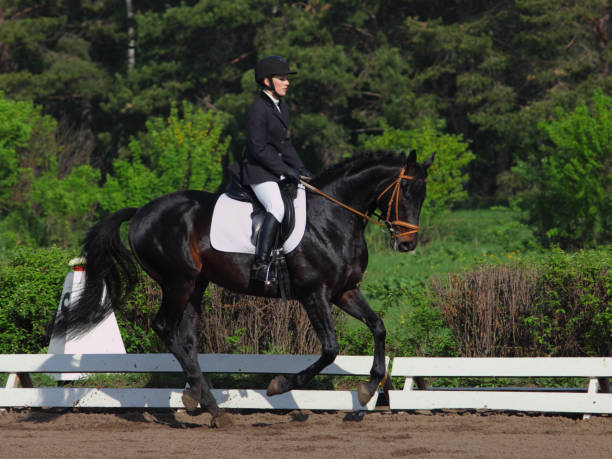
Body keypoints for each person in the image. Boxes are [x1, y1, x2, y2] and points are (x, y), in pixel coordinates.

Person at [229, 56, 312, 284]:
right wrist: (285, 170)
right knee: (276, 205)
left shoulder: (280, 107)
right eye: (282, 79)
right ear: (267, 81)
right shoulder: (258, 109)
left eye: (287, 79)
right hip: (257, 171)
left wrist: (301, 169)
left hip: (272, 169)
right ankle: (261, 264)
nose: (287, 83)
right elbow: (258, 148)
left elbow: (284, 144)